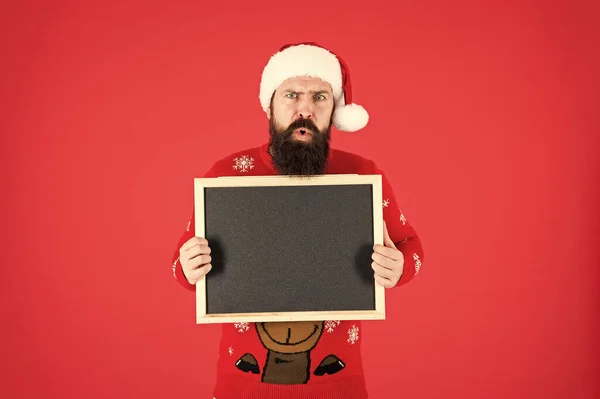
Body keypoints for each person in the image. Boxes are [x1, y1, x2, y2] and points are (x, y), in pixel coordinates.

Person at [170, 42, 424, 399]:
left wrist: (400, 269)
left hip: (339, 386)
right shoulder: (225, 177)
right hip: (240, 386)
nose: (305, 109)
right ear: (270, 104)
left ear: (334, 108)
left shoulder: (361, 176)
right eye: (292, 94)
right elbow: (179, 267)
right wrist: (186, 267)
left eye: (320, 96)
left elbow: (411, 248)